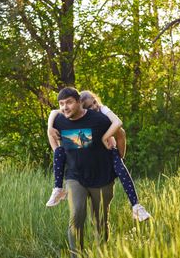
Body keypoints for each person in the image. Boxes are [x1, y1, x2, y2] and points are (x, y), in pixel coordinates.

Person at [46, 90, 151, 222]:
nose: (95, 107)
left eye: (95, 102)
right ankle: (57, 188)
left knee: (121, 172)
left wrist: (119, 153)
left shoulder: (102, 113)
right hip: (78, 172)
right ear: (83, 108)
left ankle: (136, 206)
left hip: (107, 159)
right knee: (60, 151)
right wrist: (50, 130)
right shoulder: (72, 116)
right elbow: (54, 112)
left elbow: (120, 131)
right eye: (90, 106)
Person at [48, 87, 117, 258]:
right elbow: (52, 132)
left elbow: (120, 133)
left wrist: (120, 157)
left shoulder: (99, 119)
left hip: (101, 177)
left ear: (79, 102)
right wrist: (57, 151)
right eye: (61, 104)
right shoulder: (59, 121)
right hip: (75, 176)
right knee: (77, 214)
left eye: (69, 102)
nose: (65, 107)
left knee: (100, 220)